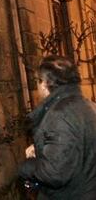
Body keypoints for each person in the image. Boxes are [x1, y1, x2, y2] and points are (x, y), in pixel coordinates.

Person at [19, 55, 96, 199]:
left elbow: (55, 173)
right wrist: (43, 149)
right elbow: (79, 146)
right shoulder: (89, 106)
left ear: (44, 84)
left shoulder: (59, 115)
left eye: (38, 81)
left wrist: (26, 167)